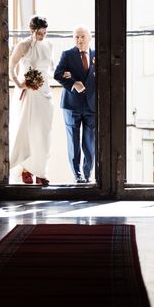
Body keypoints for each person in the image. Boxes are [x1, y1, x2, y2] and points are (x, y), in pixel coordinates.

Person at [9, 16, 54, 186]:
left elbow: (49, 69)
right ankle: (25, 168)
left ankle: (40, 171)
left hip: (44, 92)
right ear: (32, 30)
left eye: (44, 33)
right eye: (39, 33)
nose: (42, 36)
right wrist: (19, 83)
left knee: (43, 131)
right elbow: (11, 67)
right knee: (26, 129)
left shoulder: (49, 45)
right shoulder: (23, 45)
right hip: (27, 93)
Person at [54, 25, 96, 183]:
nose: (79, 40)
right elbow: (57, 74)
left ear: (89, 37)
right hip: (71, 105)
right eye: (76, 37)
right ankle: (77, 174)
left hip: (91, 106)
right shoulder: (67, 54)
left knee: (89, 142)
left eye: (82, 36)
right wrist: (73, 83)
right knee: (73, 141)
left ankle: (88, 174)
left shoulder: (96, 54)